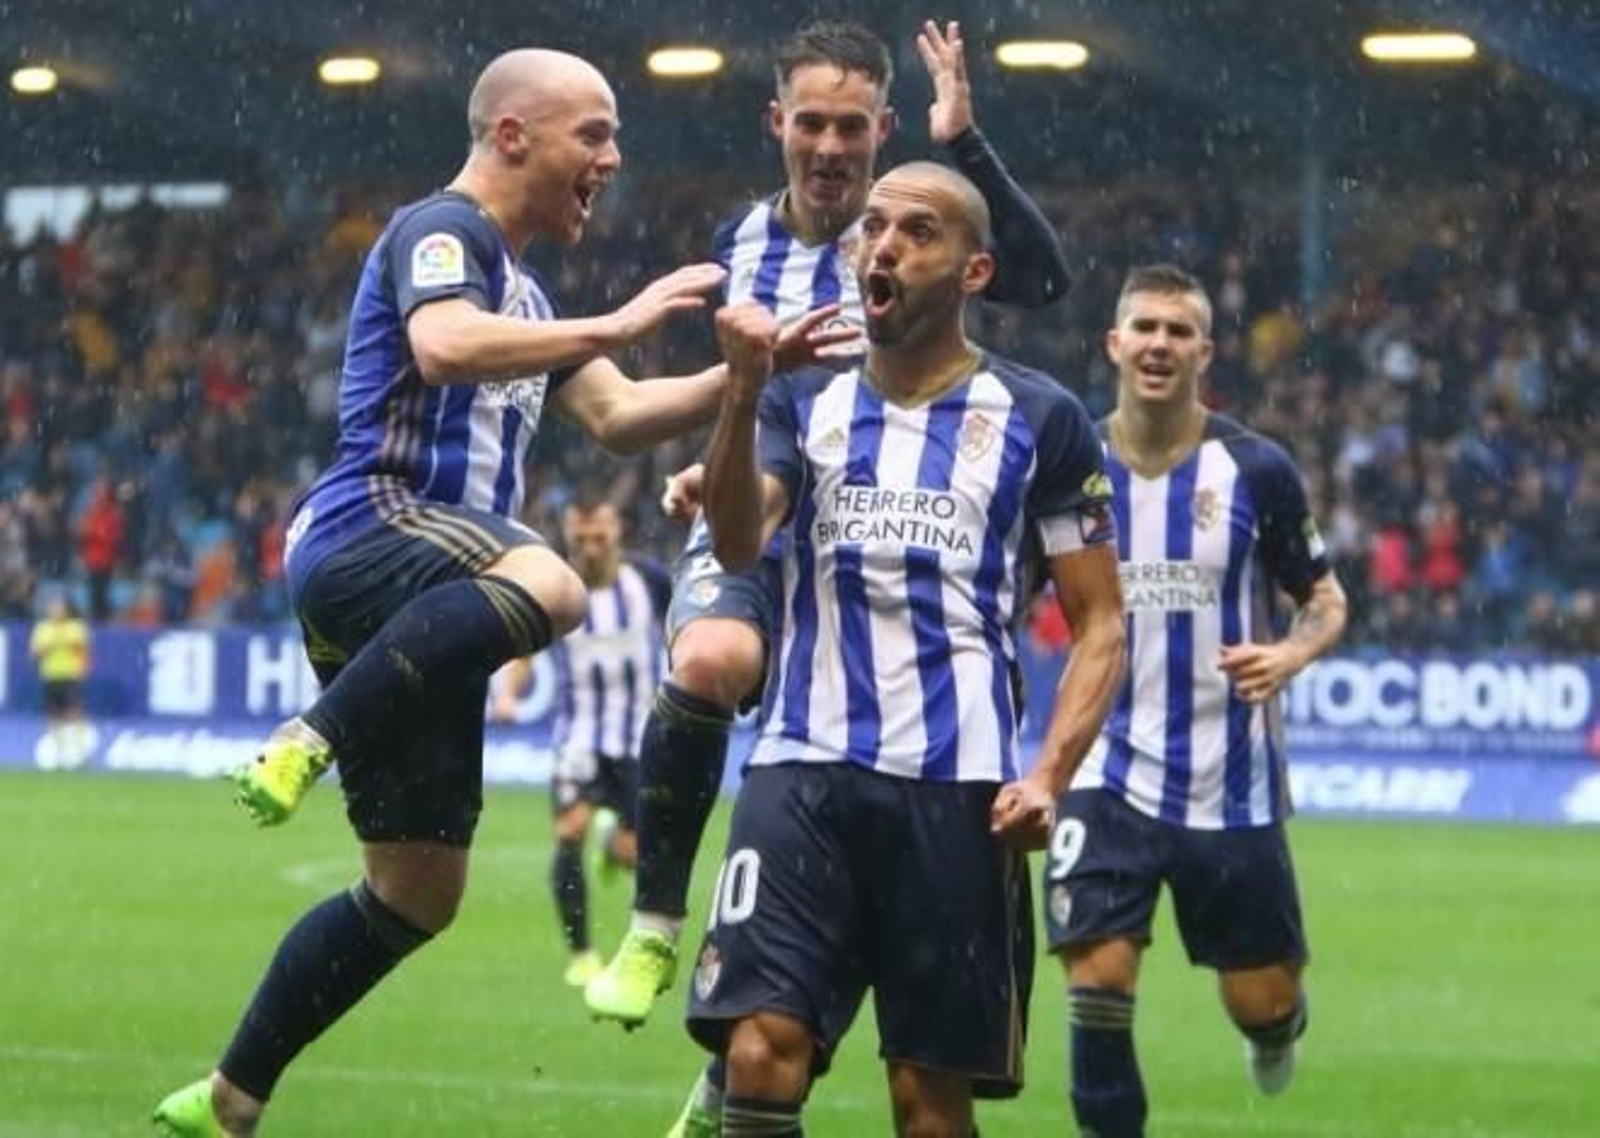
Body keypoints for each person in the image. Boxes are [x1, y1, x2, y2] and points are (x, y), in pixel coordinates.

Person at [152, 47, 839, 1137]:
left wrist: (758, 369)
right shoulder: (447, 230)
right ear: (514, 134)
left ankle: (229, 1096)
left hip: (422, 598)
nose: (612, 159)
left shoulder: (524, 289)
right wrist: (616, 320)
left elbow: (619, 414)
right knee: (554, 582)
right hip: (375, 526)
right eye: (594, 134)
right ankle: (308, 733)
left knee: (415, 892)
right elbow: (439, 344)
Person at [586, 15, 1071, 1039]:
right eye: (812, 122)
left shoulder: (905, 230)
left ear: (884, 129)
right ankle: (657, 918)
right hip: (763, 498)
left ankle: (741, 1064)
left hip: (880, 529)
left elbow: (1036, 278)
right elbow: (743, 389)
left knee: (824, 802)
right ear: (777, 123)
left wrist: (965, 141)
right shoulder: (738, 241)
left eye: (853, 127)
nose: (831, 147)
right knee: (711, 656)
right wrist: (708, 456)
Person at [681, 162, 1125, 1138]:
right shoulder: (802, 400)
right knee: (756, 1056)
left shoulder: (1042, 419)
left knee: (927, 1107)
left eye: (916, 231)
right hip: (802, 767)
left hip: (958, 791)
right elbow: (737, 540)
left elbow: (1100, 620)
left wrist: (1049, 771)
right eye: (872, 228)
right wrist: (741, 394)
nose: (882, 245)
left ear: (973, 271)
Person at [1042, 265, 1349, 1138]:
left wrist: (1290, 653)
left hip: (1231, 781)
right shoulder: (1071, 465)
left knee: (1262, 999)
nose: (1159, 345)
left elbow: (1326, 599)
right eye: (1144, 327)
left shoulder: (1256, 468)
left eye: (1179, 332)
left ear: (1204, 352)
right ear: (1114, 343)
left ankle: (1276, 1027)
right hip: (1102, 766)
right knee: (1096, 980)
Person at [507, 497, 670, 988]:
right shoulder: (557, 587)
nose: (591, 549)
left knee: (632, 851)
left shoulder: (650, 583)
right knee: (567, 832)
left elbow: (688, 624)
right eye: (581, 540)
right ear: (570, 535)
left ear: (617, 530)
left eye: (600, 538)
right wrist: (509, 697)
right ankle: (582, 953)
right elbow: (525, 650)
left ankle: (613, 845)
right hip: (577, 738)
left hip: (638, 740)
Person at [29, 594, 92, 769]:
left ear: (66, 610)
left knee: (74, 712)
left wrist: (83, 668)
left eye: (59, 607)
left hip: (70, 675)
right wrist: (50, 645)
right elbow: (34, 653)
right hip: (50, 676)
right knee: (54, 714)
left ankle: (81, 751)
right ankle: (59, 752)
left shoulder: (75, 627)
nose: (56, 611)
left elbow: (83, 650)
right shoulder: (43, 628)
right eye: (53, 608)